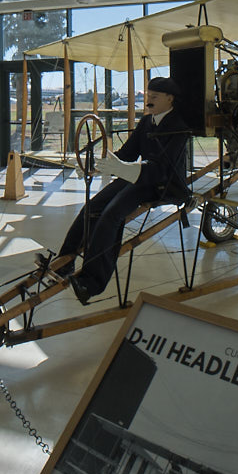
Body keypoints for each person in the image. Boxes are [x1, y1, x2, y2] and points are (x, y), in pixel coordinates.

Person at [57, 76, 190, 304]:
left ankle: (91, 283)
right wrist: (97, 166)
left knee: (111, 215)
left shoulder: (179, 127)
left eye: (154, 97)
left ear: (170, 98)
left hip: (163, 185)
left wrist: (125, 170)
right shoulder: (147, 122)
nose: (149, 101)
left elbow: (162, 170)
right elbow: (127, 154)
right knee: (92, 208)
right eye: (148, 96)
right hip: (139, 178)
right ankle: (64, 262)